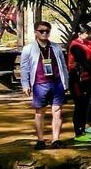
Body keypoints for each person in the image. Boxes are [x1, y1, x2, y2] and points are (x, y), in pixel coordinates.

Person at [19, 20, 70, 149]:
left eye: (47, 31)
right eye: (41, 31)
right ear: (36, 32)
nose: (45, 33)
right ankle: (40, 139)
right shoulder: (28, 49)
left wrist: (66, 82)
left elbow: (63, 65)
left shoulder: (56, 47)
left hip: (57, 82)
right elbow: (24, 68)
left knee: (57, 111)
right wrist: (25, 84)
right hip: (40, 83)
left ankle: (56, 139)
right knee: (40, 112)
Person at [67, 22, 91, 142]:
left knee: (85, 105)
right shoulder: (75, 46)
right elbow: (84, 62)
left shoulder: (88, 44)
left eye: (89, 33)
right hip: (77, 80)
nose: (89, 35)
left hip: (88, 79)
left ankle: (83, 130)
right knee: (79, 106)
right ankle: (78, 133)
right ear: (79, 34)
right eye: (86, 33)